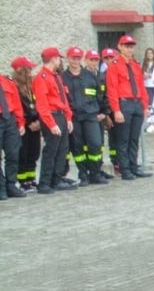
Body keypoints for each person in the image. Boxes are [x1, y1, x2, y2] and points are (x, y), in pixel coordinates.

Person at [105, 37, 151, 180]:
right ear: (120, 47)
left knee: (134, 139)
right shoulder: (114, 65)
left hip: (137, 103)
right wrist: (116, 109)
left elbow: (141, 86)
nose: (130, 49)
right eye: (127, 46)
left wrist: (145, 105)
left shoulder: (135, 64)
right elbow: (112, 89)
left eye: (131, 46)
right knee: (123, 139)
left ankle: (133, 166)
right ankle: (124, 169)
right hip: (124, 104)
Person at [62, 47, 110, 185]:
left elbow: (100, 96)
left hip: (91, 117)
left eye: (78, 58)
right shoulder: (62, 78)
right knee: (77, 148)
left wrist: (104, 112)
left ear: (81, 59)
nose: (75, 61)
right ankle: (83, 174)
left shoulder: (90, 77)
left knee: (95, 144)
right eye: (73, 58)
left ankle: (94, 173)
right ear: (68, 58)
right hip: (74, 118)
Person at [31, 47, 75, 193]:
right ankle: (44, 183)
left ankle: (56, 180)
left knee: (62, 150)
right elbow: (42, 105)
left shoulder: (56, 76)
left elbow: (64, 99)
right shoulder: (41, 78)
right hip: (52, 116)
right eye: (58, 58)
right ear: (52, 59)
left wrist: (68, 118)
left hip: (61, 115)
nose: (59, 61)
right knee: (51, 151)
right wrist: (51, 124)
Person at [9, 57, 41, 190]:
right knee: (23, 153)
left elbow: (39, 103)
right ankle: (22, 182)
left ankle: (31, 179)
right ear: (20, 70)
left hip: (36, 124)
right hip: (23, 125)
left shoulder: (32, 84)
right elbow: (17, 107)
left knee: (34, 152)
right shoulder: (14, 86)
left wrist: (39, 121)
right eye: (28, 68)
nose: (30, 70)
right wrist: (28, 123)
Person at [0, 63, 25, 199]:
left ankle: (11, 184)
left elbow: (16, 103)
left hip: (9, 119)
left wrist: (20, 122)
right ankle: (1, 187)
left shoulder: (7, 81)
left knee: (13, 153)